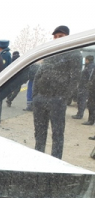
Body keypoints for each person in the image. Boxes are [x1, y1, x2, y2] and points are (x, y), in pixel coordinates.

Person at [32, 25, 82, 159]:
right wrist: (35, 95)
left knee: (57, 133)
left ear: (68, 37)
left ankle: (55, 161)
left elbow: (75, 78)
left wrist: (64, 98)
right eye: (55, 37)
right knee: (39, 131)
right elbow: (40, 72)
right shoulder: (51, 52)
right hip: (41, 98)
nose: (57, 39)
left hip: (57, 99)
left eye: (60, 36)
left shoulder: (74, 53)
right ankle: (38, 156)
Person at [72, 55, 94, 120]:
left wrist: (87, 85)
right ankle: (79, 113)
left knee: (82, 100)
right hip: (83, 86)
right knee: (80, 100)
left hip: (85, 87)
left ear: (87, 60)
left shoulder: (91, 67)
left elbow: (90, 77)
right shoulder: (89, 66)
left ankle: (80, 114)